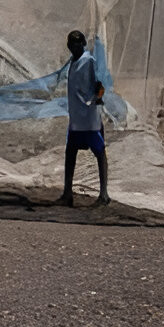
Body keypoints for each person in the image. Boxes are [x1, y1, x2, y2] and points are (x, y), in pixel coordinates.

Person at [59, 30, 109, 206]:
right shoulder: (73, 61)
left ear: (83, 44)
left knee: (99, 151)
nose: (74, 47)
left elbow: (101, 82)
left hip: (89, 117)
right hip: (76, 117)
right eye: (72, 44)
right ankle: (67, 193)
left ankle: (104, 194)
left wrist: (98, 97)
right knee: (70, 152)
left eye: (78, 43)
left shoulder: (89, 61)